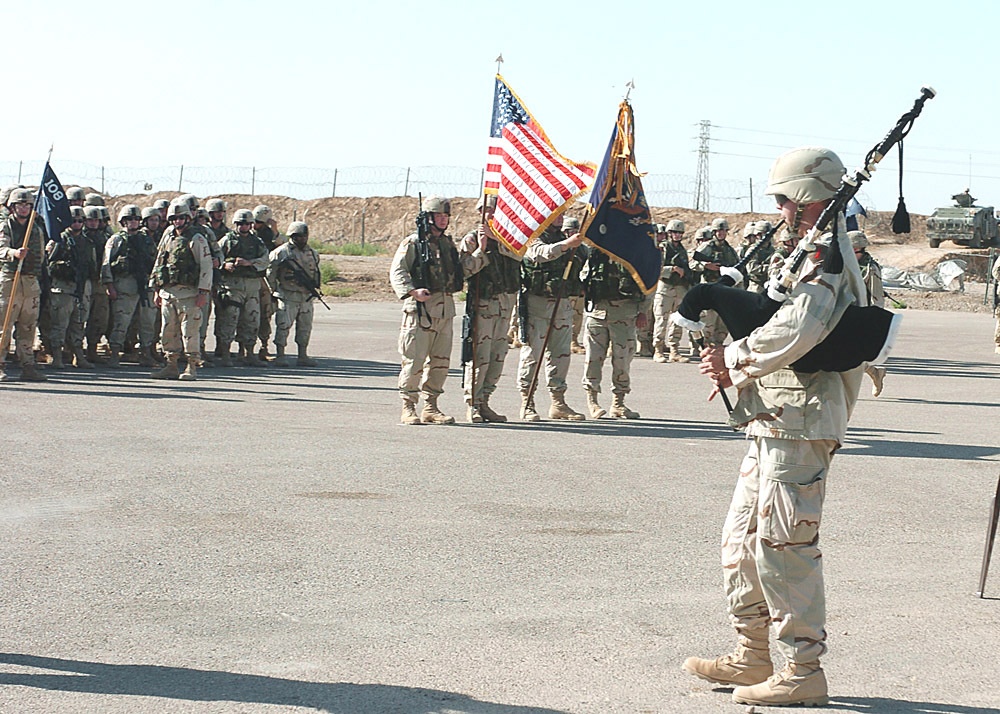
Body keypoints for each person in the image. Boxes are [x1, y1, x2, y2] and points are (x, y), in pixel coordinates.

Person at [682, 146, 868, 707]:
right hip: (769, 418)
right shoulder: (799, 253)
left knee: (785, 546)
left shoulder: (830, 259)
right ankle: (752, 652)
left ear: (812, 198)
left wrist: (733, 360)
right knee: (741, 542)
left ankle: (802, 669)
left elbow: (799, 328)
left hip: (802, 420)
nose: (782, 210)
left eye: (787, 199)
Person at [389, 197, 486, 425]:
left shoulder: (447, 245)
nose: (443, 220)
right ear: (429, 217)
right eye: (439, 216)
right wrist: (413, 291)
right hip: (420, 311)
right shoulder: (413, 243)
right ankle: (409, 406)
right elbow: (398, 272)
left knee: (441, 363)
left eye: (446, 216)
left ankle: (431, 407)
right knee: (414, 362)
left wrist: (480, 252)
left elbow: (462, 272)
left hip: (445, 310)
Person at [516, 214, 587, 422]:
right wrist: (566, 244)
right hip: (537, 304)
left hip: (562, 304)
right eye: (556, 214)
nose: (560, 218)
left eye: (562, 214)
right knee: (532, 355)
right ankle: (527, 402)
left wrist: (576, 245)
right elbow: (539, 254)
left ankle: (558, 403)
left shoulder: (565, 238)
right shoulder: (534, 236)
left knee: (561, 355)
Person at [460, 195, 520, 423]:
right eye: (486, 211)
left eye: (495, 211)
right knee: (479, 357)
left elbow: (520, 257)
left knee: (497, 356)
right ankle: (473, 403)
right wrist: (481, 250)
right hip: (483, 306)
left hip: (505, 306)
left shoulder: (512, 239)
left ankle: (485, 400)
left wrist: (500, 242)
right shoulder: (472, 239)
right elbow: (464, 271)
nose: (491, 215)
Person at [580, 242, 649, 419]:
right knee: (593, 359)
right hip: (597, 313)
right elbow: (583, 277)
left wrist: (643, 310)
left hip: (624, 314)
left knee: (622, 361)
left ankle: (618, 403)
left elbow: (647, 283)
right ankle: (592, 400)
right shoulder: (595, 252)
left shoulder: (634, 253)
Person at [149, 202, 213, 381]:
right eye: (174, 218)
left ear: (188, 218)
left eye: (181, 218)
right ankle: (170, 365)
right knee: (168, 331)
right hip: (169, 293)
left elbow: (206, 266)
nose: (177, 221)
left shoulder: (197, 238)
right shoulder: (168, 236)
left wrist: (203, 292)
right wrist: (156, 288)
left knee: (190, 331)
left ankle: (191, 366)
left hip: (190, 294)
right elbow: (160, 261)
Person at [0, 188, 47, 382]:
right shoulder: (6, 226)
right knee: (4, 325)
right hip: (11, 278)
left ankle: (27, 365)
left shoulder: (35, 229)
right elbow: (1, 247)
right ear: (12, 207)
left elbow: (41, 254)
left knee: (28, 326)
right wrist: (13, 253)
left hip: (30, 281)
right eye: (20, 205)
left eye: (27, 205)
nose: (24, 208)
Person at [102, 205, 156, 368]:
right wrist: (109, 284)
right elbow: (106, 263)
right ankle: (114, 354)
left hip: (144, 284)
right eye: (130, 219)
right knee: (121, 321)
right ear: (123, 222)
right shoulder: (116, 239)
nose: (133, 222)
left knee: (147, 321)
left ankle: (145, 353)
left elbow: (154, 260)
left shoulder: (145, 239)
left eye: (136, 219)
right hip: (124, 285)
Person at [45, 206, 96, 369]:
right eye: (73, 221)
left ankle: (79, 356)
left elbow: (92, 266)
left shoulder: (88, 243)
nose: (77, 224)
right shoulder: (58, 240)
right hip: (63, 288)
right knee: (59, 324)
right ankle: (57, 356)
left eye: (80, 221)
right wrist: (65, 267)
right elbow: (48, 265)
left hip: (81, 288)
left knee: (79, 323)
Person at [217, 209, 269, 367]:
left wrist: (250, 263)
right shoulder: (227, 240)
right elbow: (215, 257)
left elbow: (265, 260)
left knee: (252, 320)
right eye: (240, 224)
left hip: (252, 288)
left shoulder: (257, 242)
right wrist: (225, 265)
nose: (243, 227)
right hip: (232, 287)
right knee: (229, 320)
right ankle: (225, 354)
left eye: (246, 224)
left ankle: (248, 353)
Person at [267, 221, 321, 368]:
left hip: (306, 296)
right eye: (297, 236)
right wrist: (273, 292)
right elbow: (270, 273)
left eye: (303, 236)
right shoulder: (281, 252)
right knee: (283, 325)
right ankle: (280, 355)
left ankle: (302, 355)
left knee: (305, 327)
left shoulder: (312, 253)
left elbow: (316, 272)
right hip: (288, 295)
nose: (301, 239)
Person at [689, 217, 738, 346]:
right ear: (714, 232)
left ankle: (718, 345)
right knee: (708, 321)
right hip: (708, 288)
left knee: (722, 323)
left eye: (723, 231)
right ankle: (704, 345)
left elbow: (737, 267)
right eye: (718, 231)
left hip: (723, 289)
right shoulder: (707, 246)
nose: (721, 233)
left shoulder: (730, 250)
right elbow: (692, 263)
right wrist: (705, 265)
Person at [851, 230, 887, 396]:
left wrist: (874, 323)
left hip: (859, 315)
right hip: (841, 313)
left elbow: (877, 297)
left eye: (853, 250)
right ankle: (874, 372)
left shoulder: (870, 268)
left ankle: (874, 372)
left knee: (849, 355)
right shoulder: (843, 264)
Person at [652, 219, 693, 363]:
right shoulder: (663, 247)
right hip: (665, 288)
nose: (677, 235)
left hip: (680, 289)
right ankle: (658, 350)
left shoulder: (682, 250)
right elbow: (655, 268)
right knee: (661, 320)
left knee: (677, 321)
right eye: (674, 232)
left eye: (680, 233)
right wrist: (673, 269)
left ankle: (674, 350)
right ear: (669, 233)